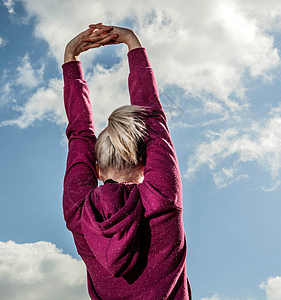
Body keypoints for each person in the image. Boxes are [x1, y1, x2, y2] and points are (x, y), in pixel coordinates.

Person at [62, 23, 191, 299]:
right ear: (145, 162)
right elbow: (152, 117)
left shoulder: (80, 214)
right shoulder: (161, 197)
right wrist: (133, 43)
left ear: (94, 167)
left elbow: (79, 135)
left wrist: (70, 59)